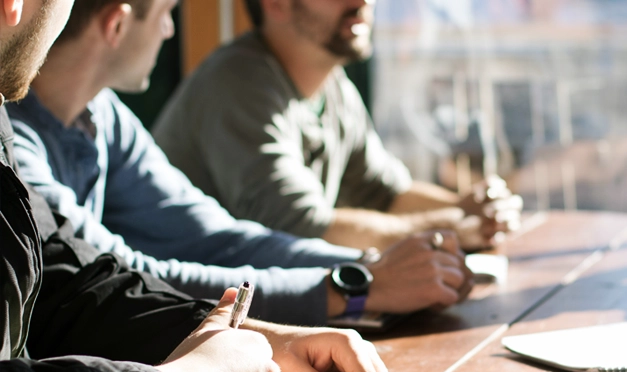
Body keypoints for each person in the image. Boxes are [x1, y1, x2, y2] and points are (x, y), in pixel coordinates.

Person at [10, 0, 472, 326]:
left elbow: (213, 236)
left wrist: (367, 265)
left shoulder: (102, 115)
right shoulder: (14, 146)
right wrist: (354, 287)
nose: (171, 31)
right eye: (170, 12)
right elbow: (119, 279)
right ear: (115, 26)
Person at [152, 0, 523, 252]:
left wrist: (471, 208)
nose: (364, 1)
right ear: (276, 3)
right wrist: (452, 227)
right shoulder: (237, 83)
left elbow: (386, 193)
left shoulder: (332, 84)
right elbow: (302, 229)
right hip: (196, 319)